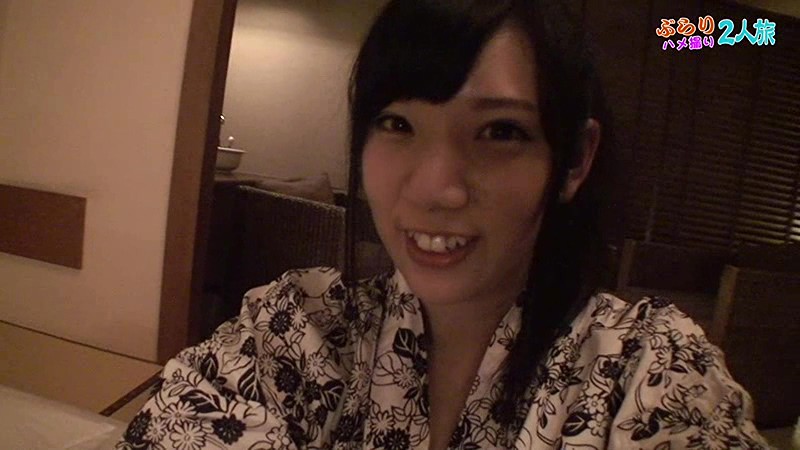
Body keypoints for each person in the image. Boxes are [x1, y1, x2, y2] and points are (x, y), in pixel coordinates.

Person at [118, 1, 768, 449]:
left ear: (574, 159)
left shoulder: (648, 371)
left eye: (500, 131)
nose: (435, 188)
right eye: (397, 123)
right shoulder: (298, 328)